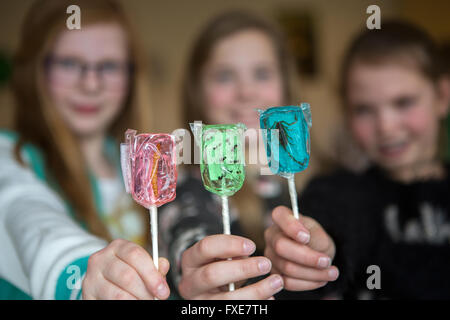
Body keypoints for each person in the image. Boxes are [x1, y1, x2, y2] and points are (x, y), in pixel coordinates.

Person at [158, 10, 337, 300]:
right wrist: (202, 271)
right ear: (197, 92)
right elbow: (187, 238)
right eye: (225, 76)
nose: (246, 92)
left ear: (285, 85)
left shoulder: (328, 180)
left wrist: (327, 248)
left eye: (262, 73)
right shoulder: (184, 192)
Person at [264, 20, 450, 299]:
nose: (386, 127)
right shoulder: (342, 191)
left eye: (403, 102)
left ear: (443, 96)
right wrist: (316, 246)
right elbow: (333, 218)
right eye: (364, 109)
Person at [0, 0, 170, 300]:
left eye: (109, 66)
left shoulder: (145, 167)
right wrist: (84, 277)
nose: (91, 84)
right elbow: (35, 224)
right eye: (69, 63)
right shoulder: (9, 157)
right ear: (36, 70)